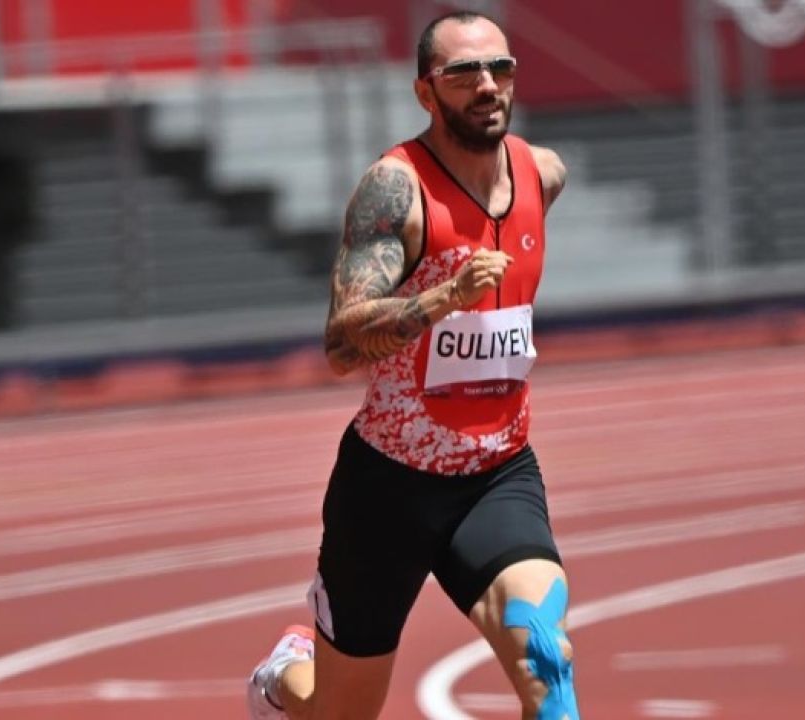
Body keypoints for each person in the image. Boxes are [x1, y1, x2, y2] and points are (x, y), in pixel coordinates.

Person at [246, 10, 578, 720]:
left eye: (500, 69)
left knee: (548, 663)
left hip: (497, 475)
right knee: (340, 711)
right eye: (463, 73)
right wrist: (442, 300)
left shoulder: (542, 175)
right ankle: (284, 676)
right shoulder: (395, 191)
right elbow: (341, 344)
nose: (486, 86)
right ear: (426, 92)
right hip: (388, 490)